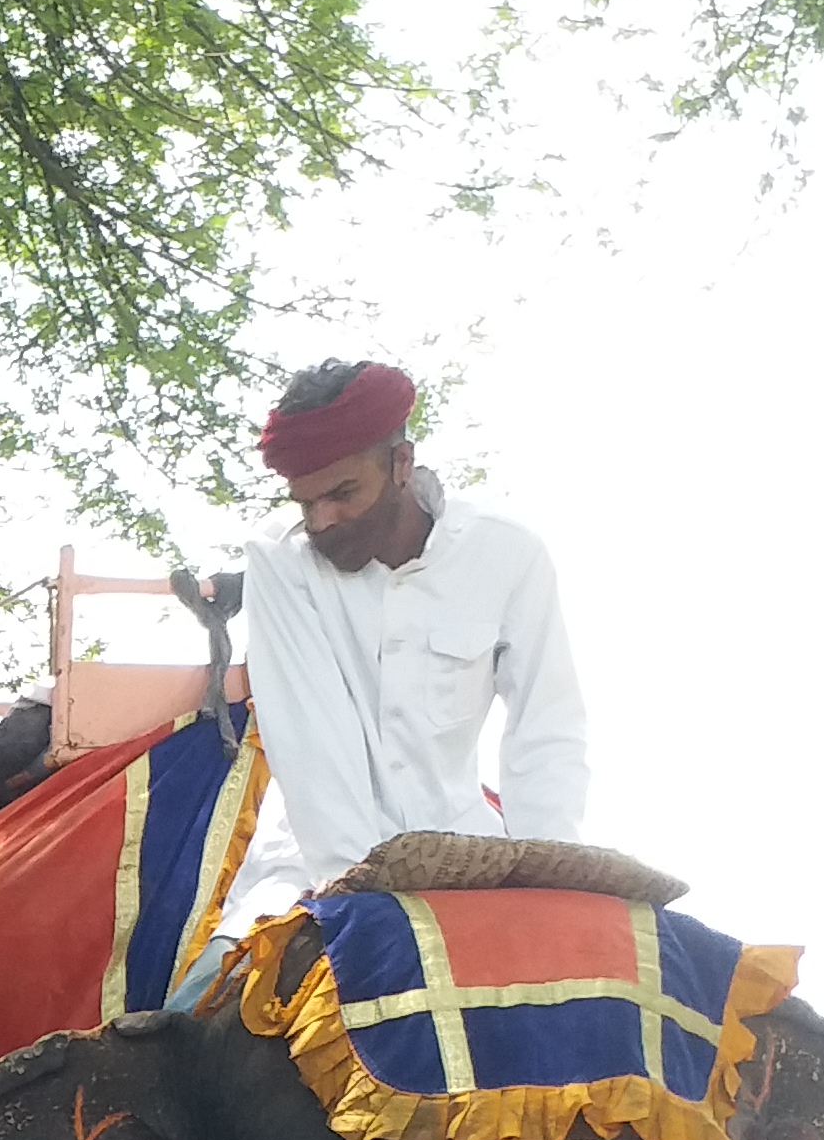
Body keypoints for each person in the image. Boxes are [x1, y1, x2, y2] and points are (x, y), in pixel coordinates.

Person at [225, 357, 589, 915]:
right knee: (203, 1001)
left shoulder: (509, 554)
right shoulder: (279, 560)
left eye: (343, 493)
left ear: (401, 463)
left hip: (471, 861)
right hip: (307, 870)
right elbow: (311, 745)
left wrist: (552, 889)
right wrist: (358, 905)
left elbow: (547, 732)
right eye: (306, 502)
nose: (321, 521)